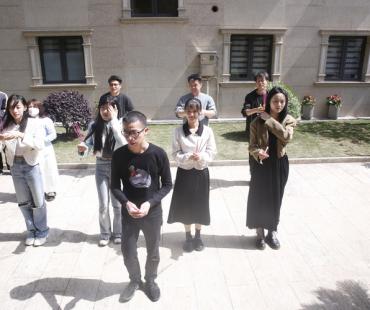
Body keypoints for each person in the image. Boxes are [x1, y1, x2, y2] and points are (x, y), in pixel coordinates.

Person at [111, 111, 172, 302]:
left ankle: (151, 281)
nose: (130, 137)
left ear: (146, 130)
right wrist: (126, 203)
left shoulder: (158, 154)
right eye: (126, 132)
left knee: (153, 250)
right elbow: (114, 186)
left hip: (152, 213)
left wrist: (150, 203)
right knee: (128, 251)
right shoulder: (119, 155)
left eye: (135, 133)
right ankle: (134, 280)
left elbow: (168, 184)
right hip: (129, 213)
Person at [246, 87, 297, 250]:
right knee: (259, 198)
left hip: (279, 164)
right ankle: (259, 233)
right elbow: (251, 146)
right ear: (269, 102)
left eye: (282, 101)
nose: (279, 104)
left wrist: (268, 119)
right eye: (275, 101)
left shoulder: (289, 120)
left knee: (276, 199)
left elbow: (286, 137)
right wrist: (257, 152)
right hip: (261, 166)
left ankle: (272, 231)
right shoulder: (256, 122)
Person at [168, 98, 217, 252]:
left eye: (195, 111)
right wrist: (186, 157)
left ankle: (198, 236)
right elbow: (175, 153)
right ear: (185, 113)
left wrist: (202, 157)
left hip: (201, 172)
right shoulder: (178, 131)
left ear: (200, 112)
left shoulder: (207, 131)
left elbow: (212, 152)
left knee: (200, 205)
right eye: (188, 111)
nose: (191, 114)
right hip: (185, 173)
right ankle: (188, 237)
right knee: (185, 205)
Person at [0, 94, 49, 246]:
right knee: (23, 202)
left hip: (31, 165)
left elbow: (40, 145)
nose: (15, 111)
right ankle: (31, 230)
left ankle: (42, 231)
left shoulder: (34, 124)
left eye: (18, 107)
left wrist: (20, 135)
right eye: (11, 108)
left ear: (25, 107)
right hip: (15, 166)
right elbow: (3, 146)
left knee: (38, 201)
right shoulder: (6, 125)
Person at [77, 96, 126, 247]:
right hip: (100, 166)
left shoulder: (122, 125)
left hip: (117, 167)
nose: (105, 111)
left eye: (109, 107)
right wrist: (82, 150)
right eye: (103, 107)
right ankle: (105, 233)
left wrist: (114, 121)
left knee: (117, 204)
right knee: (103, 204)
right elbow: (88, 145)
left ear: (116, 109)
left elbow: (124, 145)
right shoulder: (94, 125)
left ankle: (119, 233)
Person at [27, 99, 59, 202]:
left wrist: (41, 141)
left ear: (39, 108)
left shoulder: (46, 120)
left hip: (46, 150)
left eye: (34, 106)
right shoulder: (27, 120)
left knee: (48, 169)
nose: (31, 109)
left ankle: (50, 190)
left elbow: (53, 135)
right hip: (32, 150)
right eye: (29, 107)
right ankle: (38, 191)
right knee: (36, 171)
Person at [241, 71, 269, 137]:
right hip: (253, 130)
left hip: (267, 129)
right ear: (256, 83)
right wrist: (256, 110)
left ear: (267, 82)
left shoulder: (271, 96)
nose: (260, 83)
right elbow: (245, 112)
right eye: (258, 81)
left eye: (262, 80)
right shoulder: (250, 96)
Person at [0, 91, 8, 175]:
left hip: (3, 122)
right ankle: (0, 168)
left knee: (7, 146)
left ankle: (10, 166)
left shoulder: (3, 95)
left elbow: (4, 110)